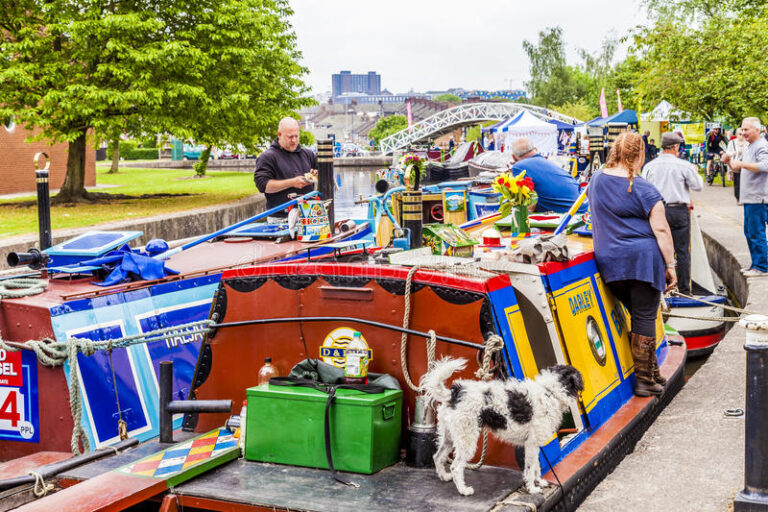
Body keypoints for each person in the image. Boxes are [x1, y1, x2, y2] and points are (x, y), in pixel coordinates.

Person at [588, 132, 676, 397]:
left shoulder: (595, 180)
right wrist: (671, 265)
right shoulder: (644, 188)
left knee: (639, 316)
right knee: (645, 316)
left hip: (609, 262)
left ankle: (652, 373)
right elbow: (661, 229)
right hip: (642, 261)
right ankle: (645, 380)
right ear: (639, 155)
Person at [642, 132, 703, 295]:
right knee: (682, 251)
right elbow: (698, 186)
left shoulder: (649, 166)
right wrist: (695, 172)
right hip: (678, 210)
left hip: (657, 210)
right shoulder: (683, 165)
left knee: (658, 248)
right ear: (676, 147)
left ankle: (660, 289)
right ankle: (684, 290)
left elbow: (643, 189)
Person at [722, 117, 768, 277]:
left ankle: (762, 267)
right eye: (742, 129)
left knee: (757, 232)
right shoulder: (750, 147)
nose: (742, 133)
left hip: (758, 197)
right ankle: (756, 264)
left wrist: (741, 164)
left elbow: (765, 165)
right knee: (749, 232)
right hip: (749, 197)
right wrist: (728, 161)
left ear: (757, 129)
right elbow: (738, 168)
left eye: (746, 129)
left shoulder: (761, 145)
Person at [253, 117, 317, 217]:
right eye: (290, 137)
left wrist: (317, 175)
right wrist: (292, 183)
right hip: (281, 218)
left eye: (296, 136)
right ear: (279, 134)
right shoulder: (267, 157)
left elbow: (324, 177)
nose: (294, 140)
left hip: (309, 216)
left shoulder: (308, 154)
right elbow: (262, 185)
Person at [509, 137, 588, 213]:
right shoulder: (548, 163)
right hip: (583, 208)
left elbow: (528, 205)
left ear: (514, 157)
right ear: (536, 150)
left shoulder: (518, 167)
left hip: (567, 215)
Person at [726, 128, 749, 201]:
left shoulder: (747, 142)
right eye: (740, 134)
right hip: (735, 164)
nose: (742, 135)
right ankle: (738, 196)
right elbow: (727, 152)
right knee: (737, 180)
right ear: (736, 135)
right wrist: (733, 153)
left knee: (745, 181)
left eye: (743, 134)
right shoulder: (732, 142)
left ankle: (744, 196)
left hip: (745, 164)